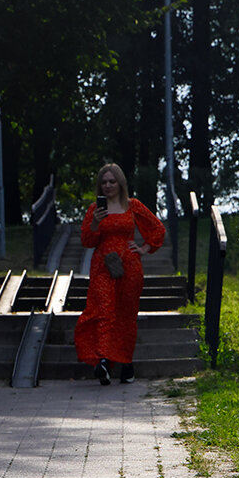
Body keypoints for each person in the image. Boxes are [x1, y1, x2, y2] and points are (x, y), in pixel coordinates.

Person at [73, 163, 166, 385]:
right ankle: (103, 361)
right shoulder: (94, 210)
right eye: (104, 182)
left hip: (129, 267)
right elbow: (87, 241)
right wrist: (95, 222)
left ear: (120, 183)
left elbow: (157, 228)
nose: (107, 185)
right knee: (103, 310)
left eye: (112, 181)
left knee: (126, 315)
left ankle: (126, 363)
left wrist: (144, 248)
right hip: (102, 266)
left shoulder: (133, 206)